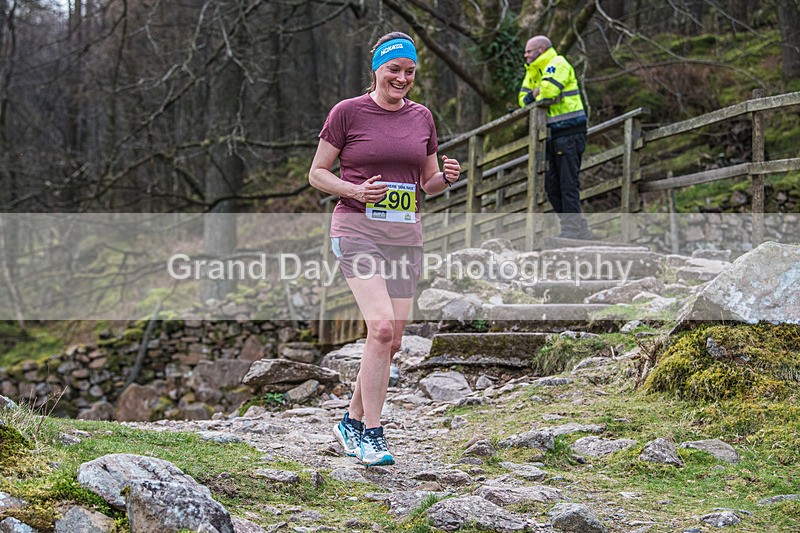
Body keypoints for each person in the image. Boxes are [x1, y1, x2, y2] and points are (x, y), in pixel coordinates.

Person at [308, 32, 461, 466]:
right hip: (356, 229)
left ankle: (350, 422)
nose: (402, 78)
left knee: (391, 341)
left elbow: (427, 183)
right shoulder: (348, 113)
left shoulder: (423, 118)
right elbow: (318, 173)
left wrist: (445, 177)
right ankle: (372, 433)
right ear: (376, 69)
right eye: (394, 69)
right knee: (379, 328)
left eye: (410, 71)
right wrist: (355, 189)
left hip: (404, 236)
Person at [519, 35, 592, 240]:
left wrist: (536, 93)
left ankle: (572, 230)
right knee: (551, 186)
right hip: (551, 134)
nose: (526, 55)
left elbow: (550, 92)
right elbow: (522, 100)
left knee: (567, 183)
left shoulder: (557, 63)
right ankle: (579, 229)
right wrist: (536, 93)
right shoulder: (533, 72)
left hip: (569, 131)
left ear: (541, 50)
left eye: (529, 51)